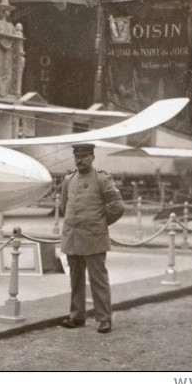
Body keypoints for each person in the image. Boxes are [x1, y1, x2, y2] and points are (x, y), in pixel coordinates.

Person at [59, 143, 125, 334]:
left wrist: (100, 224)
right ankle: (77, 316)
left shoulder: (103, 179)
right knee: (76, 279)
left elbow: (118, 207)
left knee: (98, 280)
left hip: (94, 239)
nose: (79, 160)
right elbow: (64, 206)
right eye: (77, 156)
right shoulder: (68, 179)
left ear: (92, 157)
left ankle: (104, 319)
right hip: (72, 238)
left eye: (84, 156)